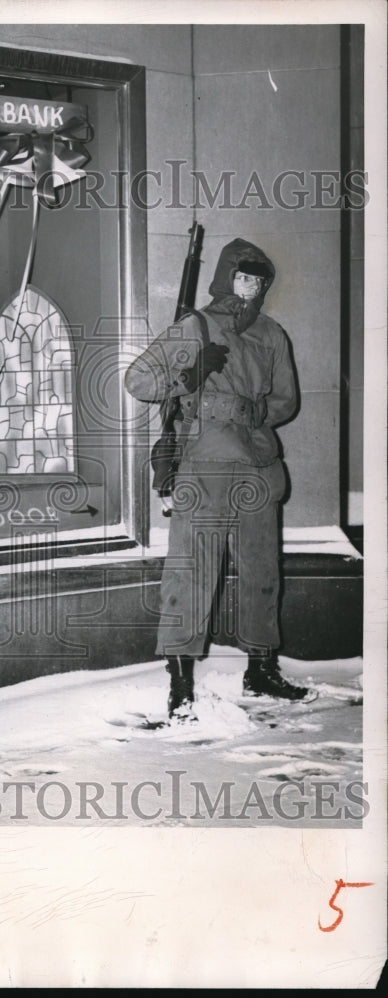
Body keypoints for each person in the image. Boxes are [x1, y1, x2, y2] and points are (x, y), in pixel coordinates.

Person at [125, 237, 310, 721]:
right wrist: (188, 377)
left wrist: (256, 411)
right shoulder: (196, 326)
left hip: (258, 465)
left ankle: (261, 669)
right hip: (205, 465)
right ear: (226, 277)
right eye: (243, 277)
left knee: (262, 572)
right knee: (191, 573)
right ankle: (181, 683)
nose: (250, 287)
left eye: (258, 280)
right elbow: (139, 381)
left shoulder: (271, 334)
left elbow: (286, 401)